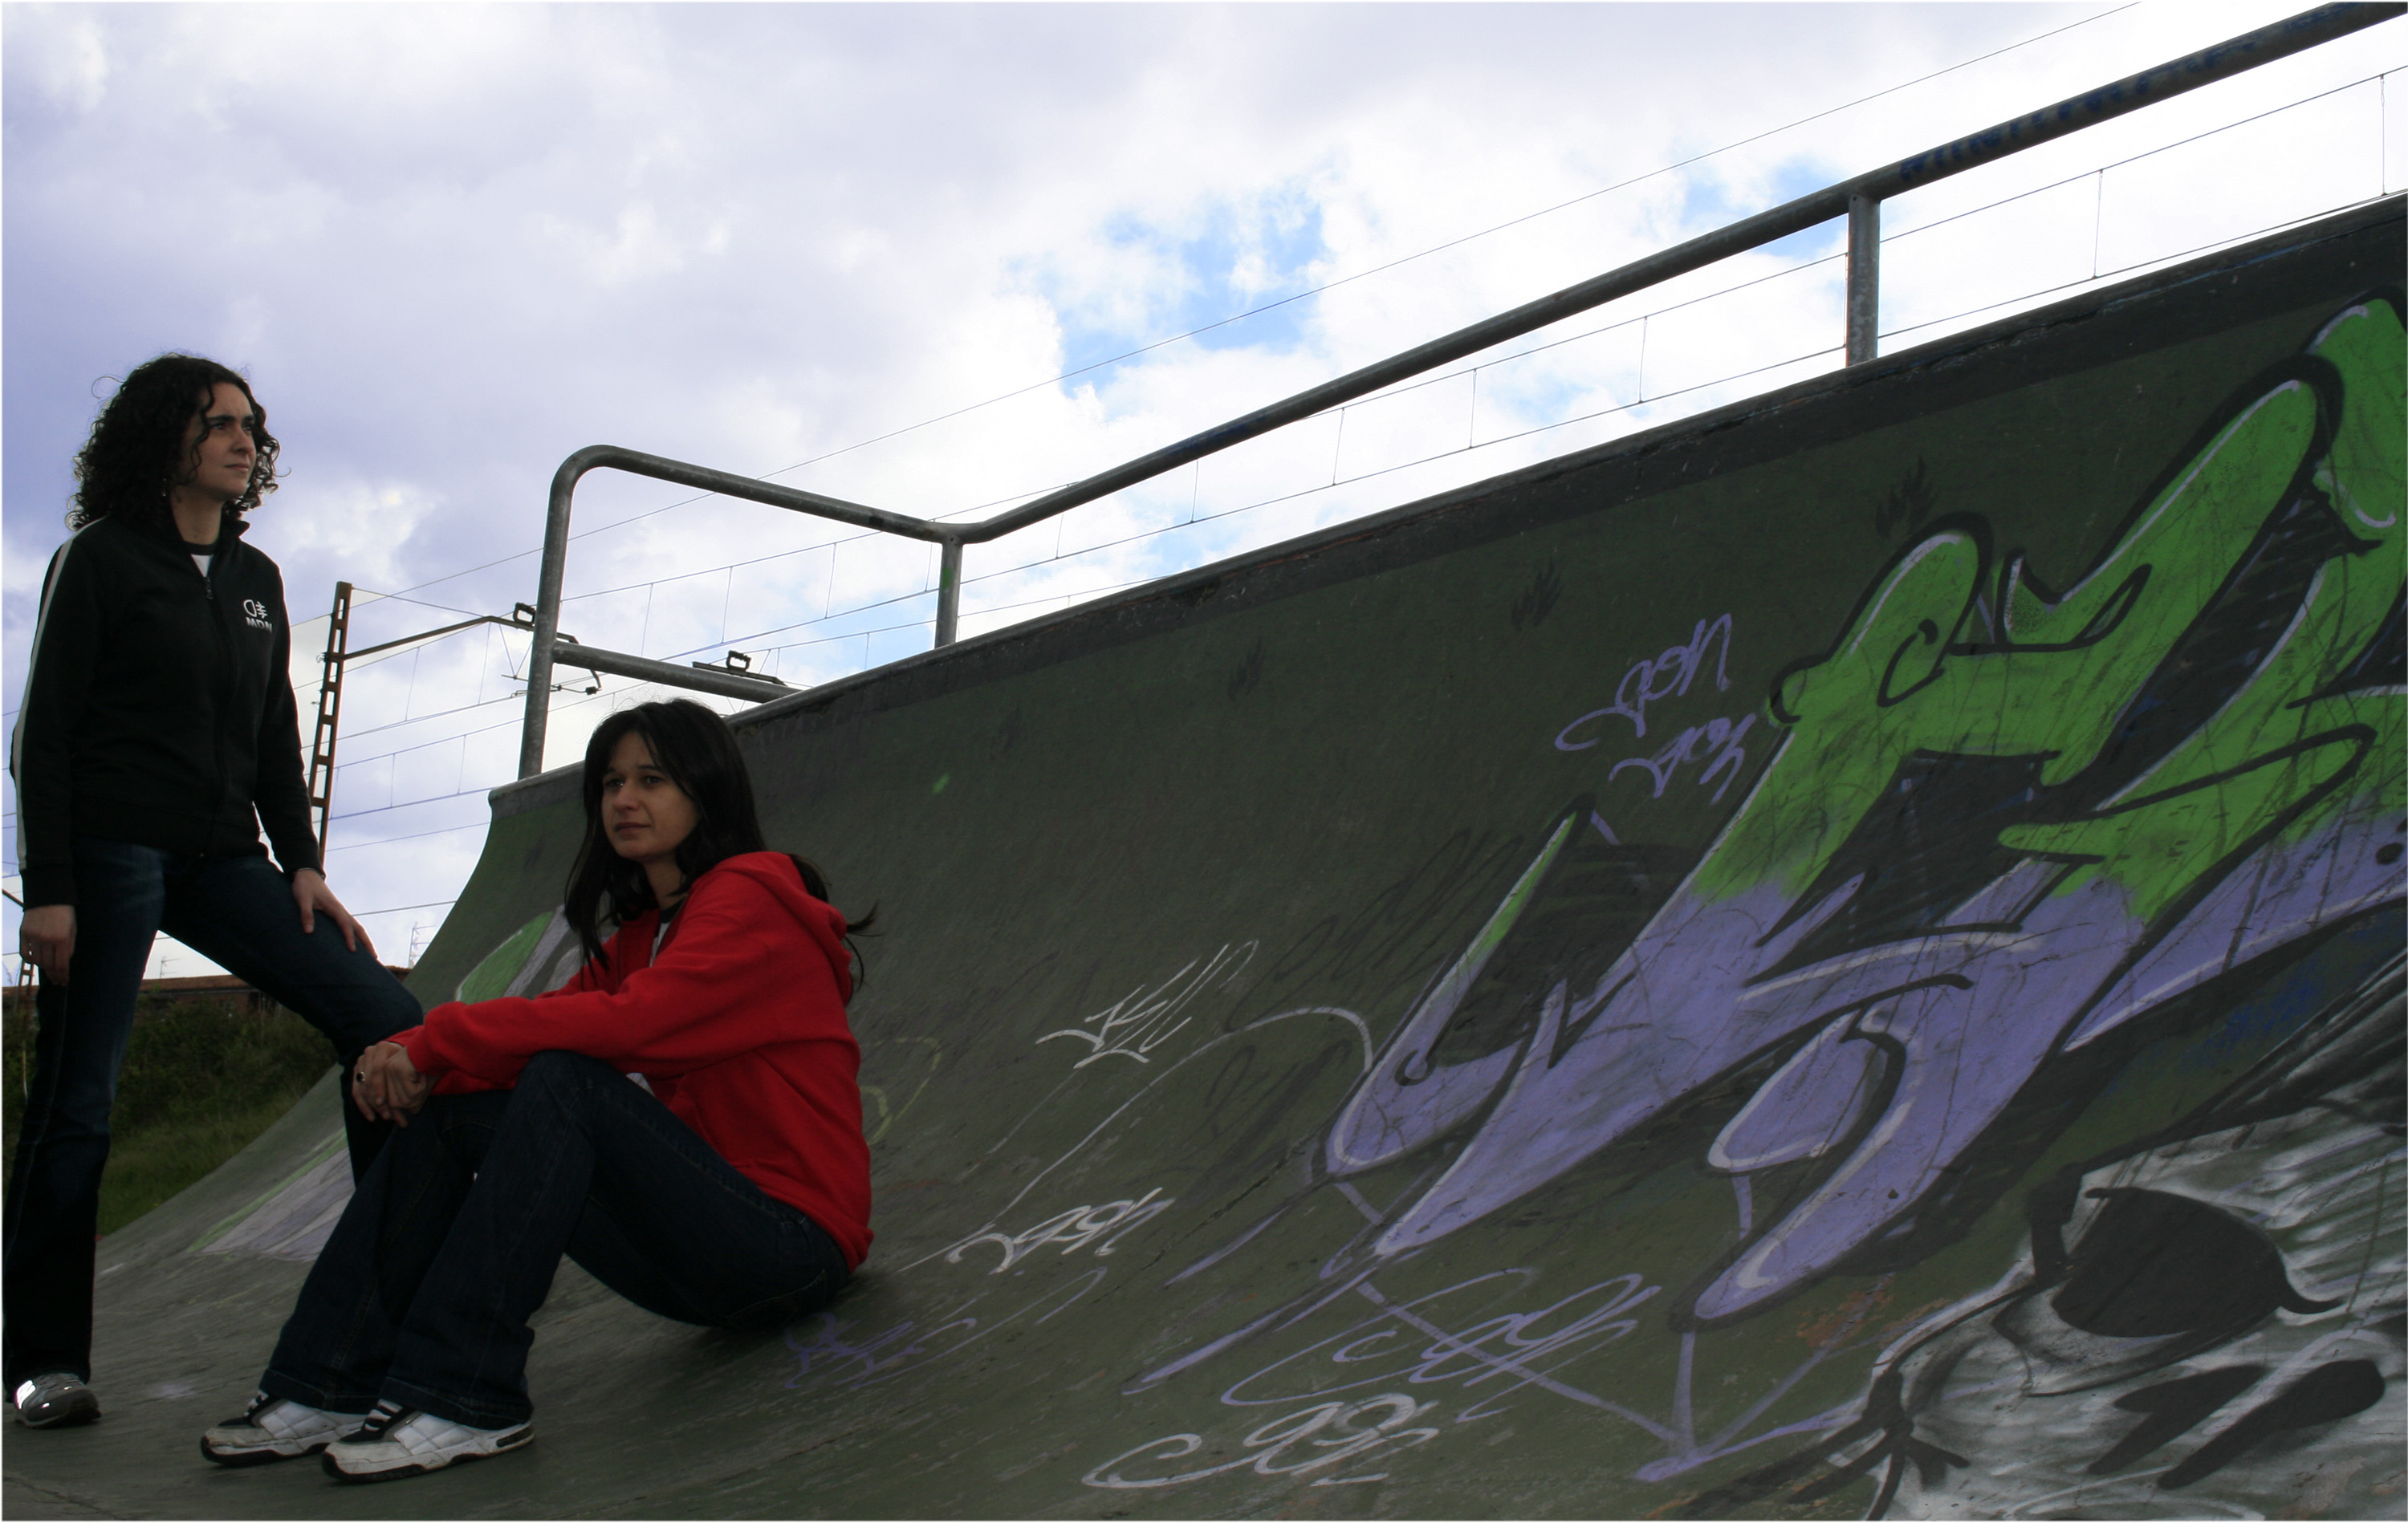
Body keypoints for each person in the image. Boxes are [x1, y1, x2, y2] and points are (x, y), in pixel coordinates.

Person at [199, 698, 874, 1483]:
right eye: (612, 782)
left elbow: (636, 1025)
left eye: (652, 779)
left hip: (791, 1245)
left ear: (707, 790)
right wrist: (422, 1062)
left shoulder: (754, 896)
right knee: (456, 1102)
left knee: (564, 1080)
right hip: (697, 1251)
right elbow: (549, 1020)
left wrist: (434, 1039)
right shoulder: (640, 935)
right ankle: (330, 1378)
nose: (624, 799)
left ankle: (469, 1391)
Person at [6, 356, 423, 1429]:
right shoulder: (98, 562)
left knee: (386, 1018)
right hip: (108, 852)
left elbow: (275, 741)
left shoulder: (255, 579)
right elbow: (43, 734)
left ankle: (380, 1323)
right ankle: (44, 1362)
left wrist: (304, 862)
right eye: (219, 424)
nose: (243, 441)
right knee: (79, 1104)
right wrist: (48, 888)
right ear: (165, 440)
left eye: (251, 425)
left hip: (224, 856)